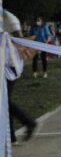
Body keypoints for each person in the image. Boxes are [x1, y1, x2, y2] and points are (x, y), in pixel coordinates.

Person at [4, 9, 37, 143]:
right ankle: (11, 136)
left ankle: (28, 123)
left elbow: (19, 41)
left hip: (10, 66)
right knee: (5, 101)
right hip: (4, 64)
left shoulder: (9, 19)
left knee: (4, 101)